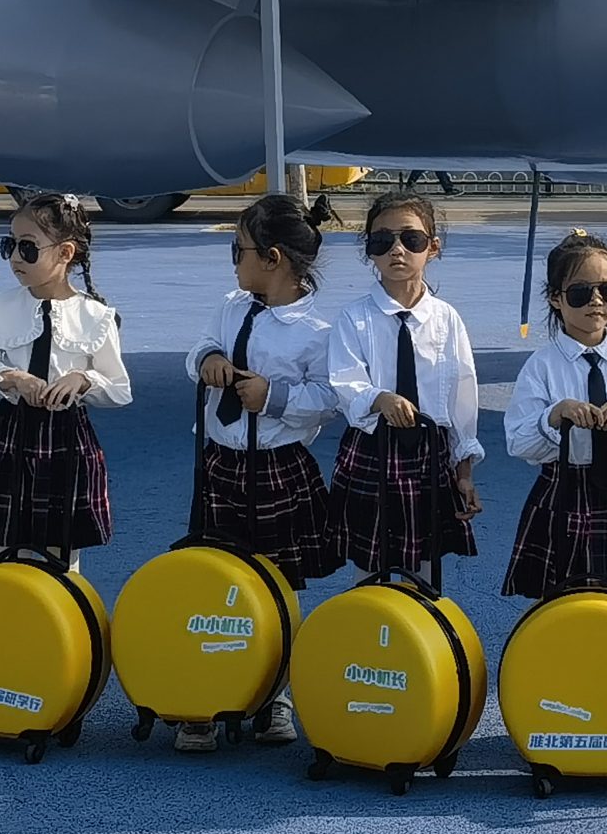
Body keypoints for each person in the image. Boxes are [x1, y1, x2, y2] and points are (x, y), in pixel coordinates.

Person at [183, 192, 339, 752]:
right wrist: (208, 360)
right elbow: (200, 348)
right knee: (213, 580)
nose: (233, 262)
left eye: (238, 250)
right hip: (221, 463)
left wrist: (274, 397)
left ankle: (274, 694)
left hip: (277, 470)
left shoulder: (317, 331)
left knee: (277, 585)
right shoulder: (231, 306)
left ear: (272, 259)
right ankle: (206, 693)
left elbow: (328, 399)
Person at [0, 191, 129, 565]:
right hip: (10, 435)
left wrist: (83, 379)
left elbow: (119, 388)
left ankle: (63, 602)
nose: (16, 257)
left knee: (63, 553)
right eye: (10, 245)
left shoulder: (95, 315)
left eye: (28, 247)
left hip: (67, 440)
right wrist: (12, 377)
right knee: (7, 548)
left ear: (65, 253)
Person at [504, 228, 607, 602]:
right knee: (556, 595)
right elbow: (517, 441)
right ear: (556, 298)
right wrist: (553, 416)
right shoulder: (542, 366)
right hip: (560, 489)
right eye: (581, 292)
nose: (596, 300)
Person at [326, 188, 482, 578]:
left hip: (429, 451)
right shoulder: (354, 317)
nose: (397, 250)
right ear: (369, 250)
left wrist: (463, 471)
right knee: (371, 559)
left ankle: (422, 612)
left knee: (427, 559)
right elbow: (344, 379)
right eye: (383, 240)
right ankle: (369, 611)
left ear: (433, 247)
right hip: (373, 448)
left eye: (411, 239)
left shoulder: (447, 319)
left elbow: (463, 396)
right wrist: (379, 397)